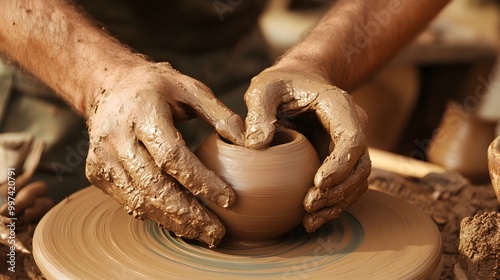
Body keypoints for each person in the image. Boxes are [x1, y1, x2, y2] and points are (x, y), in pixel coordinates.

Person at [0, 0, 450, 248]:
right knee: (28, 228)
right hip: (53, 65)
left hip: (240, 68)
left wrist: (319, 64)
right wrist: (98, 82)